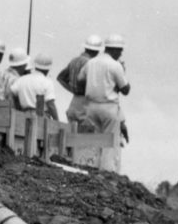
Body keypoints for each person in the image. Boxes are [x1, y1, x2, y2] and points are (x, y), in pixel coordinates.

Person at [81, 33, 131, 172]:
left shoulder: (91, 62)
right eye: (120, 51)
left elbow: (80, 79)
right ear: (114, 49)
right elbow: (125, 90)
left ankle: (93, 169)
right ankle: (107, 172)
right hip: (108, 106)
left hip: (91, 106)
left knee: (95, 141)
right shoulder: (115, 65)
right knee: (110, 142)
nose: (120, 54)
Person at [11, 52, 60, 157]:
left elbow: (12, 93)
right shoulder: (47, 82)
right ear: (48, 69)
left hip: (23, 115)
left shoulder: (22, 79)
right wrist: (57, 122)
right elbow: (50, 104)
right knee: (39, 144)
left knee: (23, 139)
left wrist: (17, 107)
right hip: (40, 115)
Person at [56, 34, 102, 124]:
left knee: (72, 130)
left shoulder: (74, 60)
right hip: (86, 104)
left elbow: (61, 78)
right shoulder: (91, 63)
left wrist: (72, 89)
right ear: (96, 51)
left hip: (74, 102)